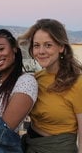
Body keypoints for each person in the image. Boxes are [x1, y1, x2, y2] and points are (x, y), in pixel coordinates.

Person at [18, 18, 82, 153]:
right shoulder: (35, 79)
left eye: (48, 45)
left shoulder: (78, 82)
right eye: (36, 45)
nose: (41, 51)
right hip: (31, 145)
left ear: (61, 47)